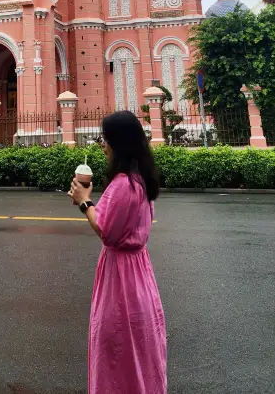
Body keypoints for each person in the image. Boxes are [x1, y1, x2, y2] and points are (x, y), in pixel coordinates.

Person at [69, 111, 167, 394]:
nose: (103, 145)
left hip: (122, 279)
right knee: (139, 346)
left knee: (116, 346)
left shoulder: (123, 183)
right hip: (139, 274)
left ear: (118, 143)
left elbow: (106, 231)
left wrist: (85, 202)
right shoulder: (140, 179)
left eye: (106, 139)